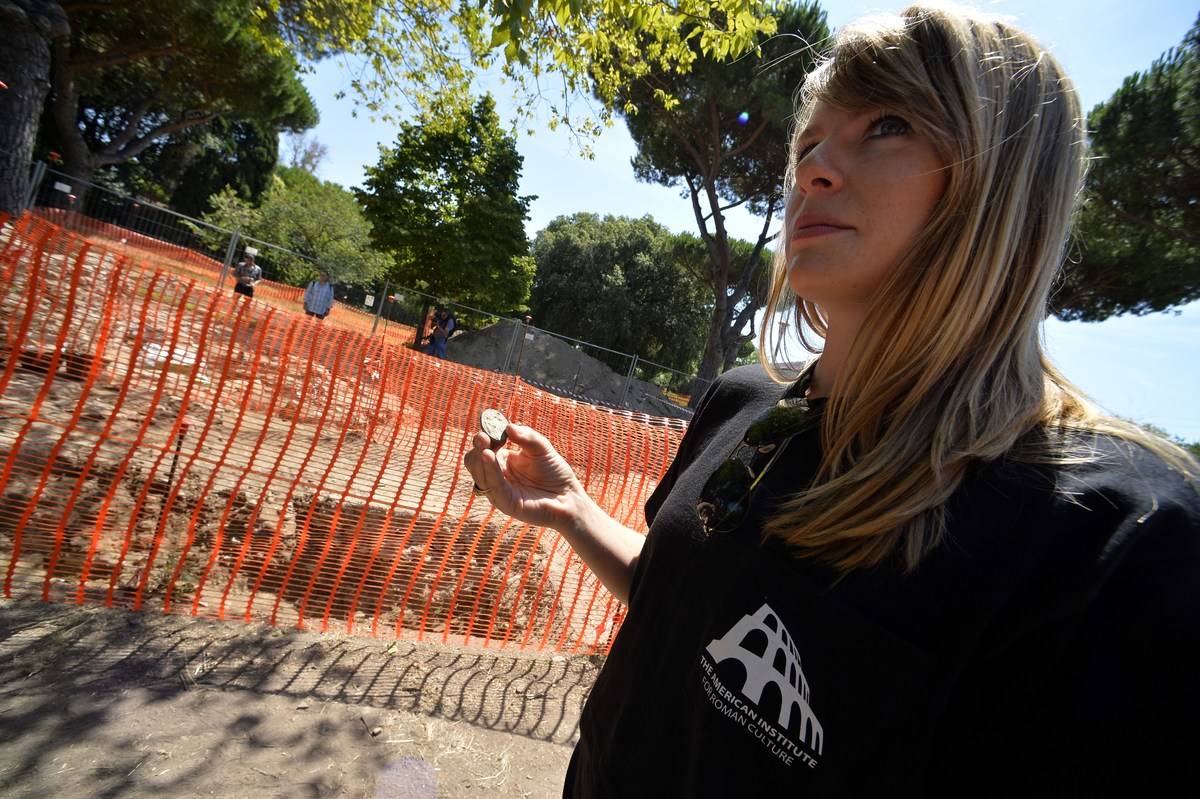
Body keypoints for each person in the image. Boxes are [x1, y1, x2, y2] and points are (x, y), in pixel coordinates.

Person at [463, 4, 1200, 796]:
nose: (812, 169)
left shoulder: (1114, 544)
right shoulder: (746, 405)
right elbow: (691, 608)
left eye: (885, 124)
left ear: (1004, 187)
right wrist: (572, 510)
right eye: (809, 140)